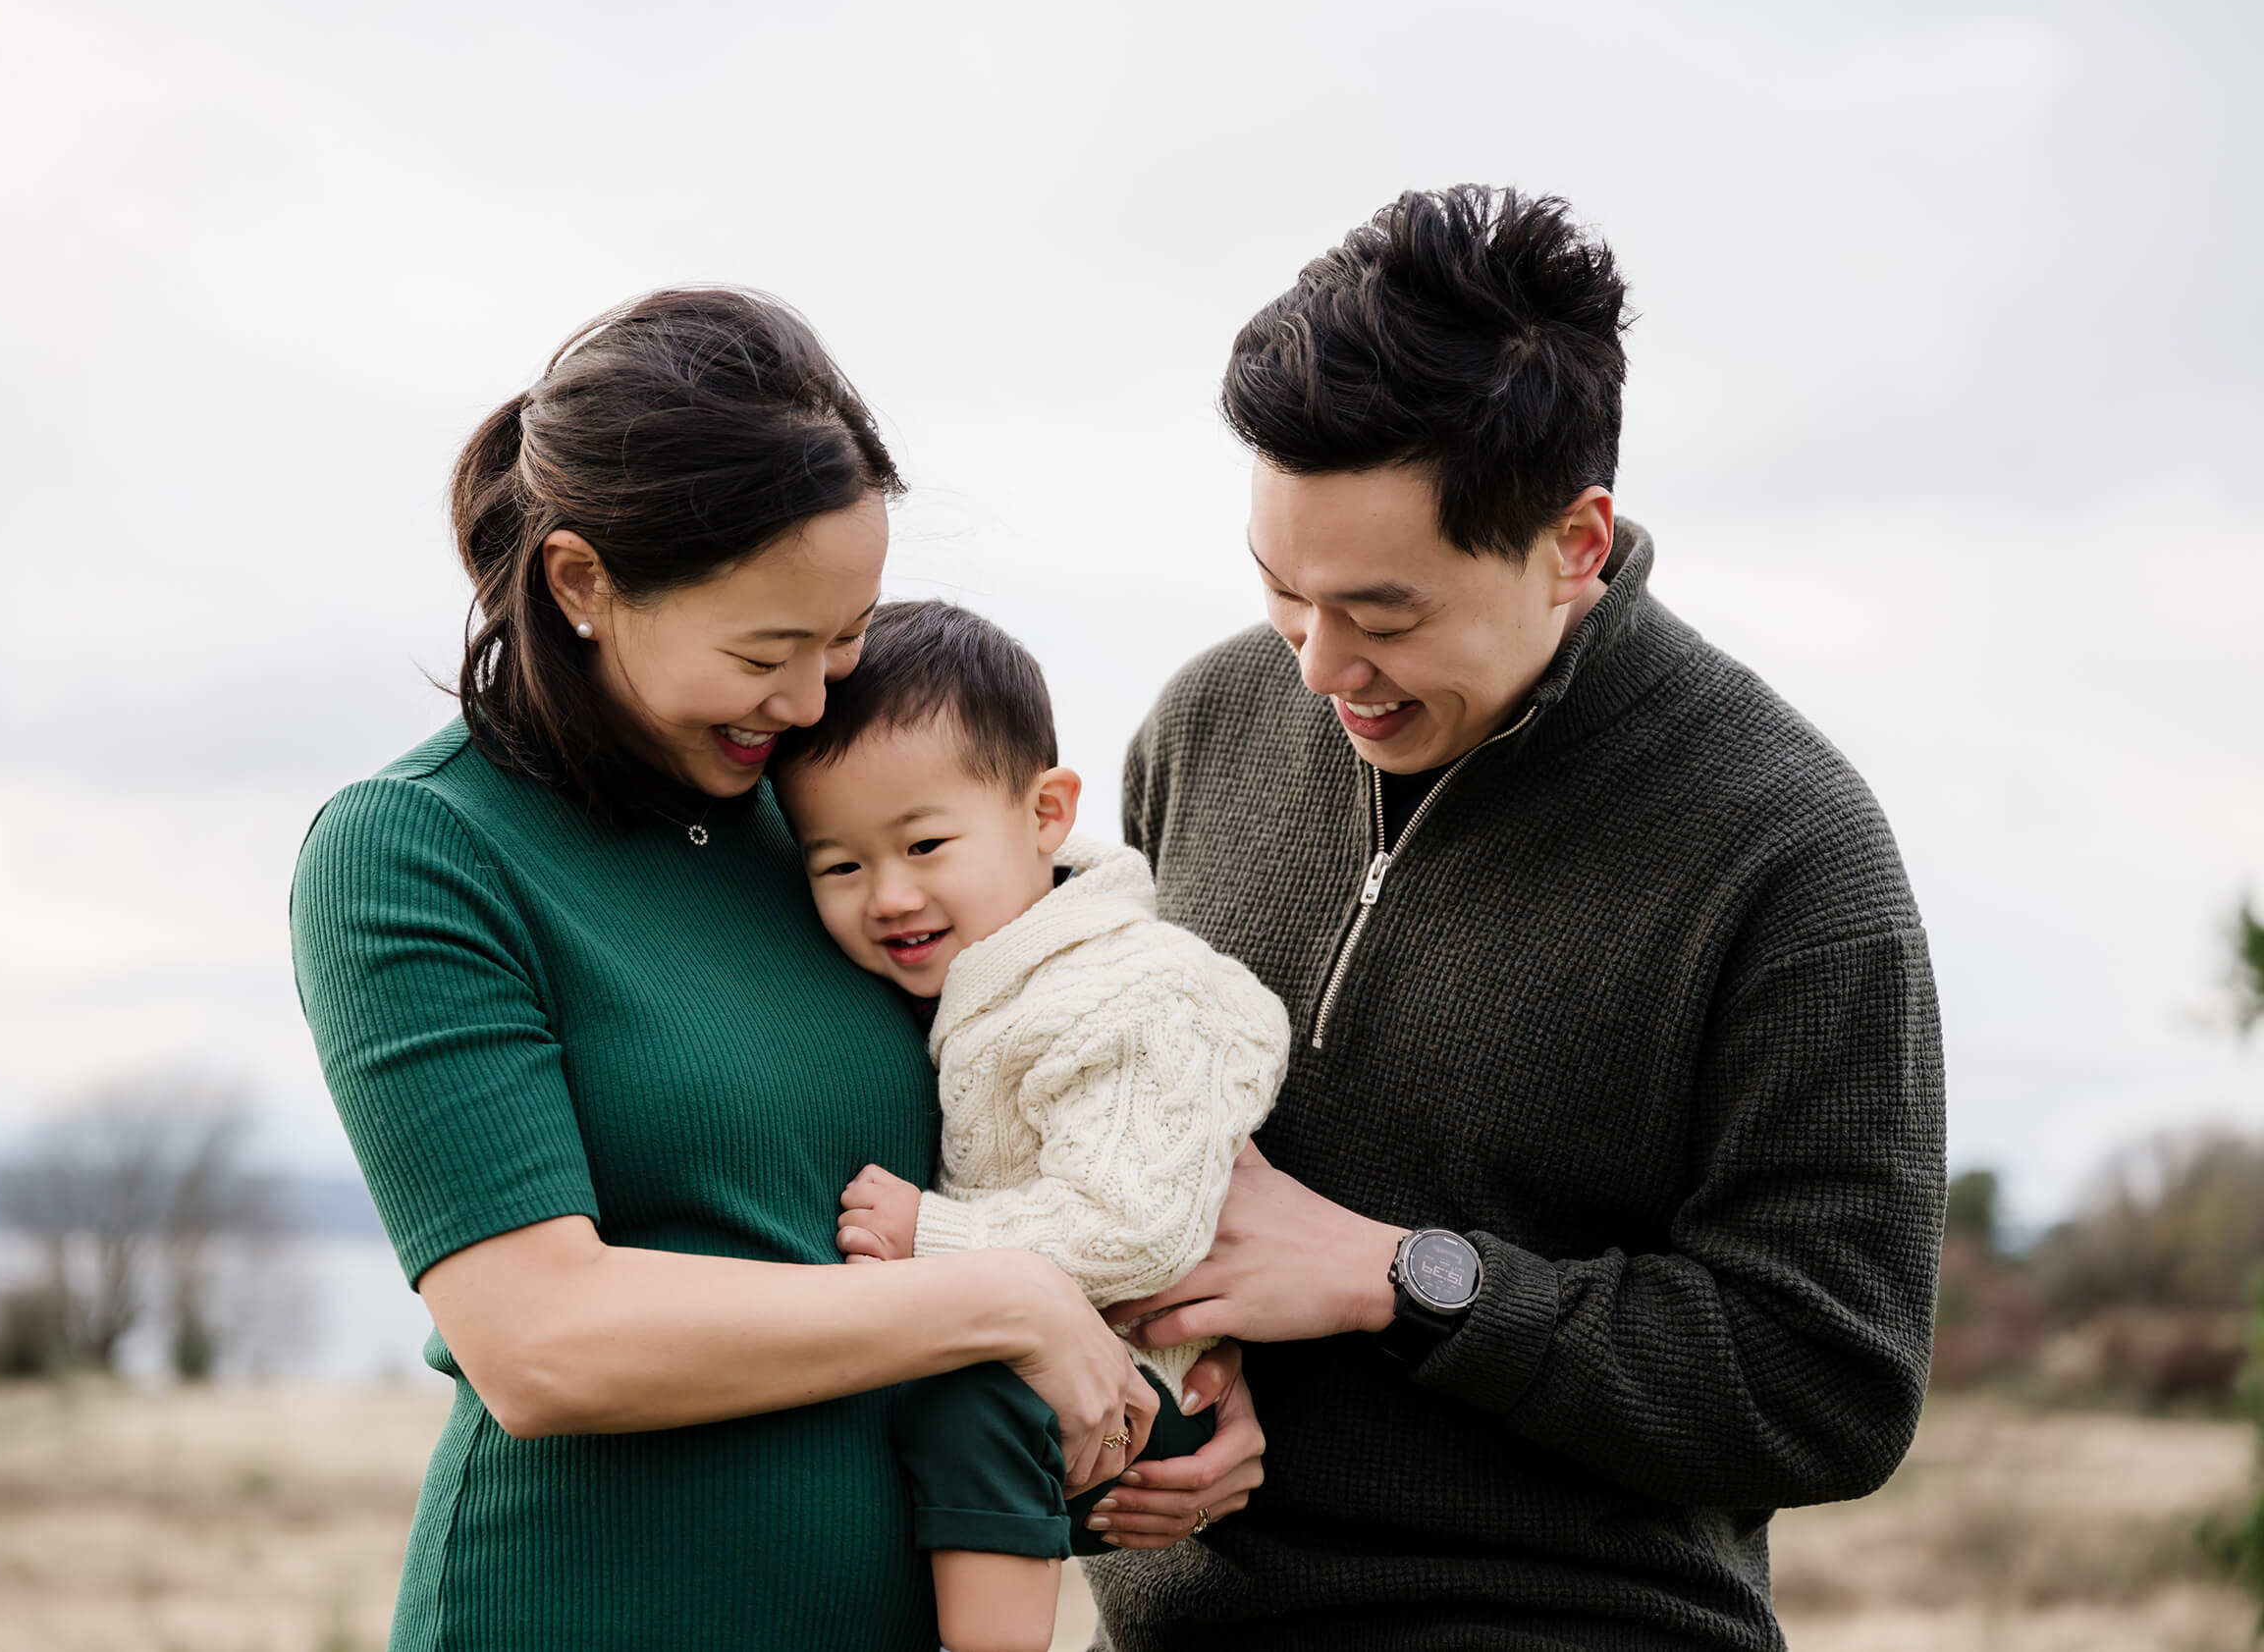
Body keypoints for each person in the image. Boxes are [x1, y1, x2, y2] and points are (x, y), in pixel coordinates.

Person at [288, 290, 1258, 1652]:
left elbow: (1043, 1119)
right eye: (763, 652)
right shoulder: (420, 850)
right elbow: (542, 1344)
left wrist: (1155, 1405)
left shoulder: (838, 833)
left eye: (843, 637)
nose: (809, 703)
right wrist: (998, 1298)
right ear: (581, 584)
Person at [1087, 187, 1947, 1650]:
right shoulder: (1202, 727)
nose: (1317, 667)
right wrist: (1143, 1379)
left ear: (1573, 542)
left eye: (1385, 614)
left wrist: (1406, 1281)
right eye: (1282, 591)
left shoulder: (1790, 851)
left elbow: (1828, 1383)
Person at [769, 599, 1290, 1652]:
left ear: (1046, 813)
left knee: (973, 1405)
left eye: (925, 843)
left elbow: (1136, 1225)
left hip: (1139, 1387)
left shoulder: (1129, 989)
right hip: (1018, 1359)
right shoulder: (967, 975)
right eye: (840, 866)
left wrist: (935, 1238)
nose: (890, 894)